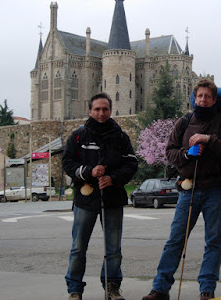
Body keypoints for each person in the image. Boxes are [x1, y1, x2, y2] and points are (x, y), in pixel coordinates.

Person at [142, 79, 221, 300]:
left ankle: (207, 289)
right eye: (200, 96)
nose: (203, 100)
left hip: (216, 189)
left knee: (213, 242)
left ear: (214, 100)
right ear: (194, 98)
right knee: (175, 240)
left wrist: (210, 140)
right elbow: (170, 153)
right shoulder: (184, 122)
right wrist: (187, 154)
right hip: (188, 189)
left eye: (207, 96)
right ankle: (160, 289)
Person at [62, 92, 138, 300]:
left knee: (113, 249)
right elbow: (67, 163)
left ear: (110, 110)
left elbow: (131, 164)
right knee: (78, 248)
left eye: (105, 109)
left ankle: (112, 287)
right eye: (97, 109)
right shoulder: (79, 136)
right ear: (90, 111)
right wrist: (88, 172)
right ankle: (75, 290)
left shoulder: (120, 137)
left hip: (112, 198)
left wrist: (112, 178)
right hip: (85, 200)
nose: (101, 113)